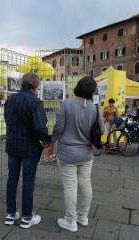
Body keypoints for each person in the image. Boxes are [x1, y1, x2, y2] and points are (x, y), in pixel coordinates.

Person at [48, 76, 103, 233]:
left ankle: (70, 220)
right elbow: (102, 130)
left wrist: (51, 143)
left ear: (78, 87)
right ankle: (83, 216)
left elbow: (58, 128)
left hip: (67, 153)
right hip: (86, 153)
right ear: (92, 91)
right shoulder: (94, 107)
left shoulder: (66, 104)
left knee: (70, 187)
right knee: (86, 184)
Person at [4, 73, 51, 229]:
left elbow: (7, 120)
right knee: (28, 181)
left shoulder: (10, 99)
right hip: (30, 147)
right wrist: (46, 140)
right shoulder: (35, 102)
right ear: (34, 87)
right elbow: (39, 126)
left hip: (12, 145)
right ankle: (26, 217)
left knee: (12, 179)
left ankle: (10, 214)